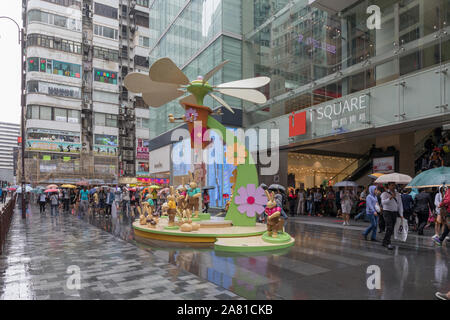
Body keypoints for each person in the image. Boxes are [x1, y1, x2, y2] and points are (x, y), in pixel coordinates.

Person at [381, 182, 404, 250]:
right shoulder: (384, 194)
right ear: (388, 186)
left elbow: (400, 204)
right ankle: (387, 242)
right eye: (392, 185)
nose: (393, 187)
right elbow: (383, 202)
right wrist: (390, 197)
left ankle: (385, 241)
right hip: (387, 212)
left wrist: (401, 214)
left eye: (394, 185)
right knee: (389, 226)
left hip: (394, 212)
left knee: (392, 228)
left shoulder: (398, 194)